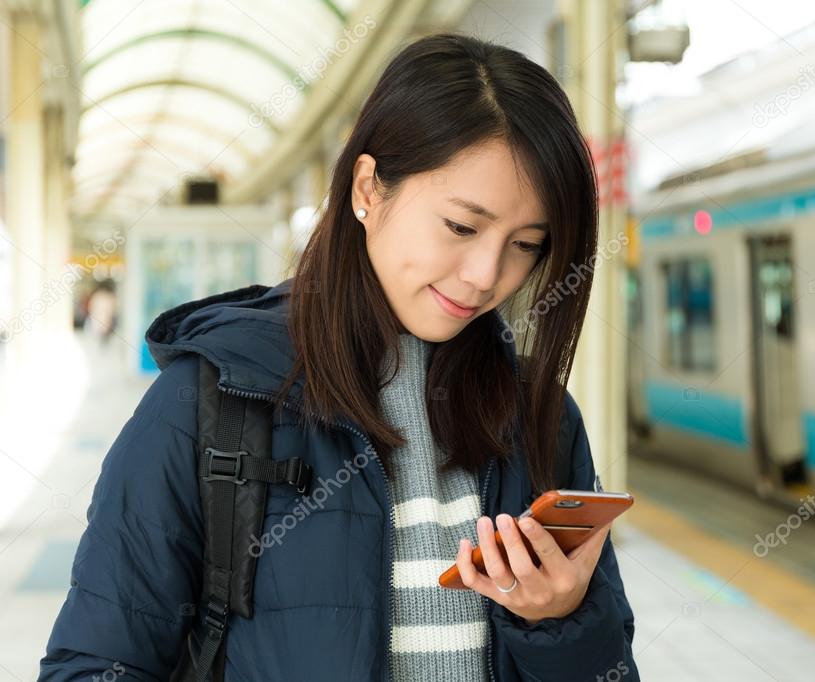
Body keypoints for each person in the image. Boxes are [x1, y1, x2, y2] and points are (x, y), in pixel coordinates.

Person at [39, 32, 638, 681]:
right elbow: (94, 664)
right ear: (367, 189)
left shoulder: (541, 417)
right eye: (461, 227)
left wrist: (564, 620)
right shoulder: (212, 397)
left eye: (525, 244)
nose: (484, 273)